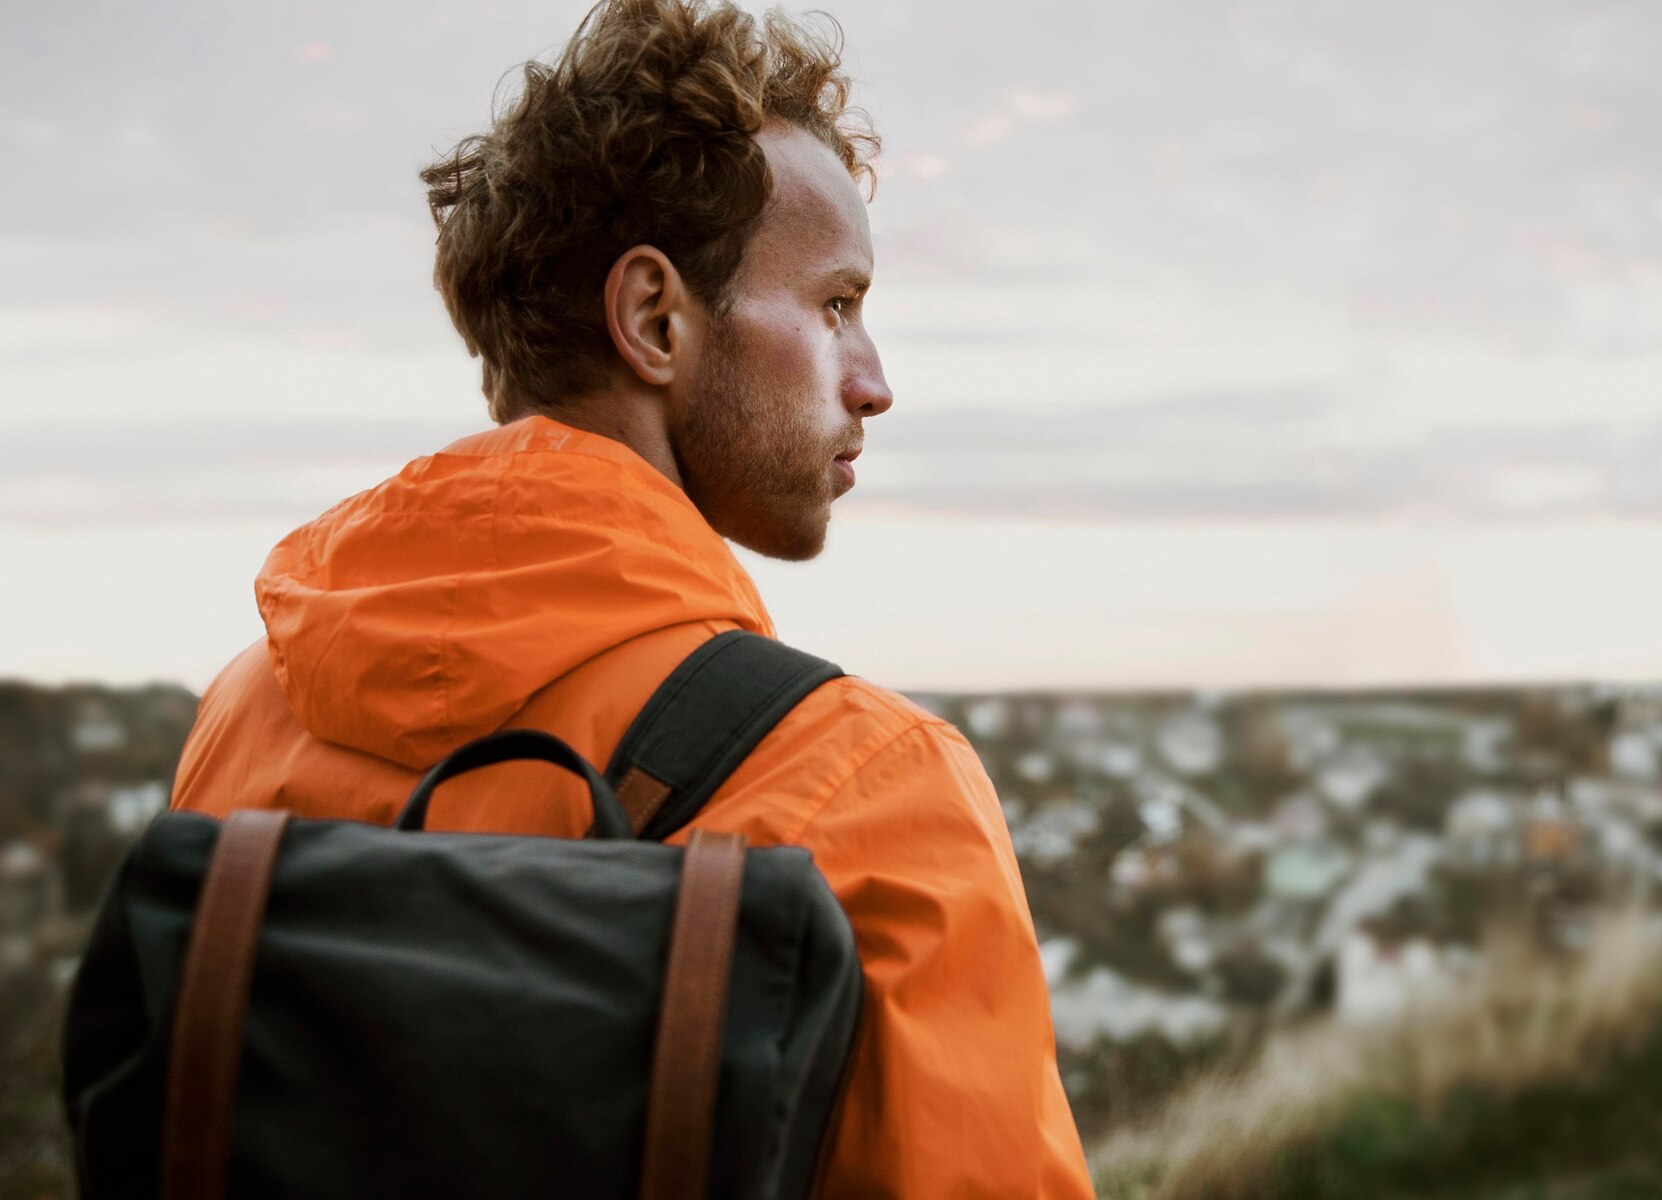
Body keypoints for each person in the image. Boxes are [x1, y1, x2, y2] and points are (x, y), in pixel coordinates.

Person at [170, 0, 1094, 1195]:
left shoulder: (246, 710)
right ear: (656, 319)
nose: (874, 382)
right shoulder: (869, 788)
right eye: (835, 304)